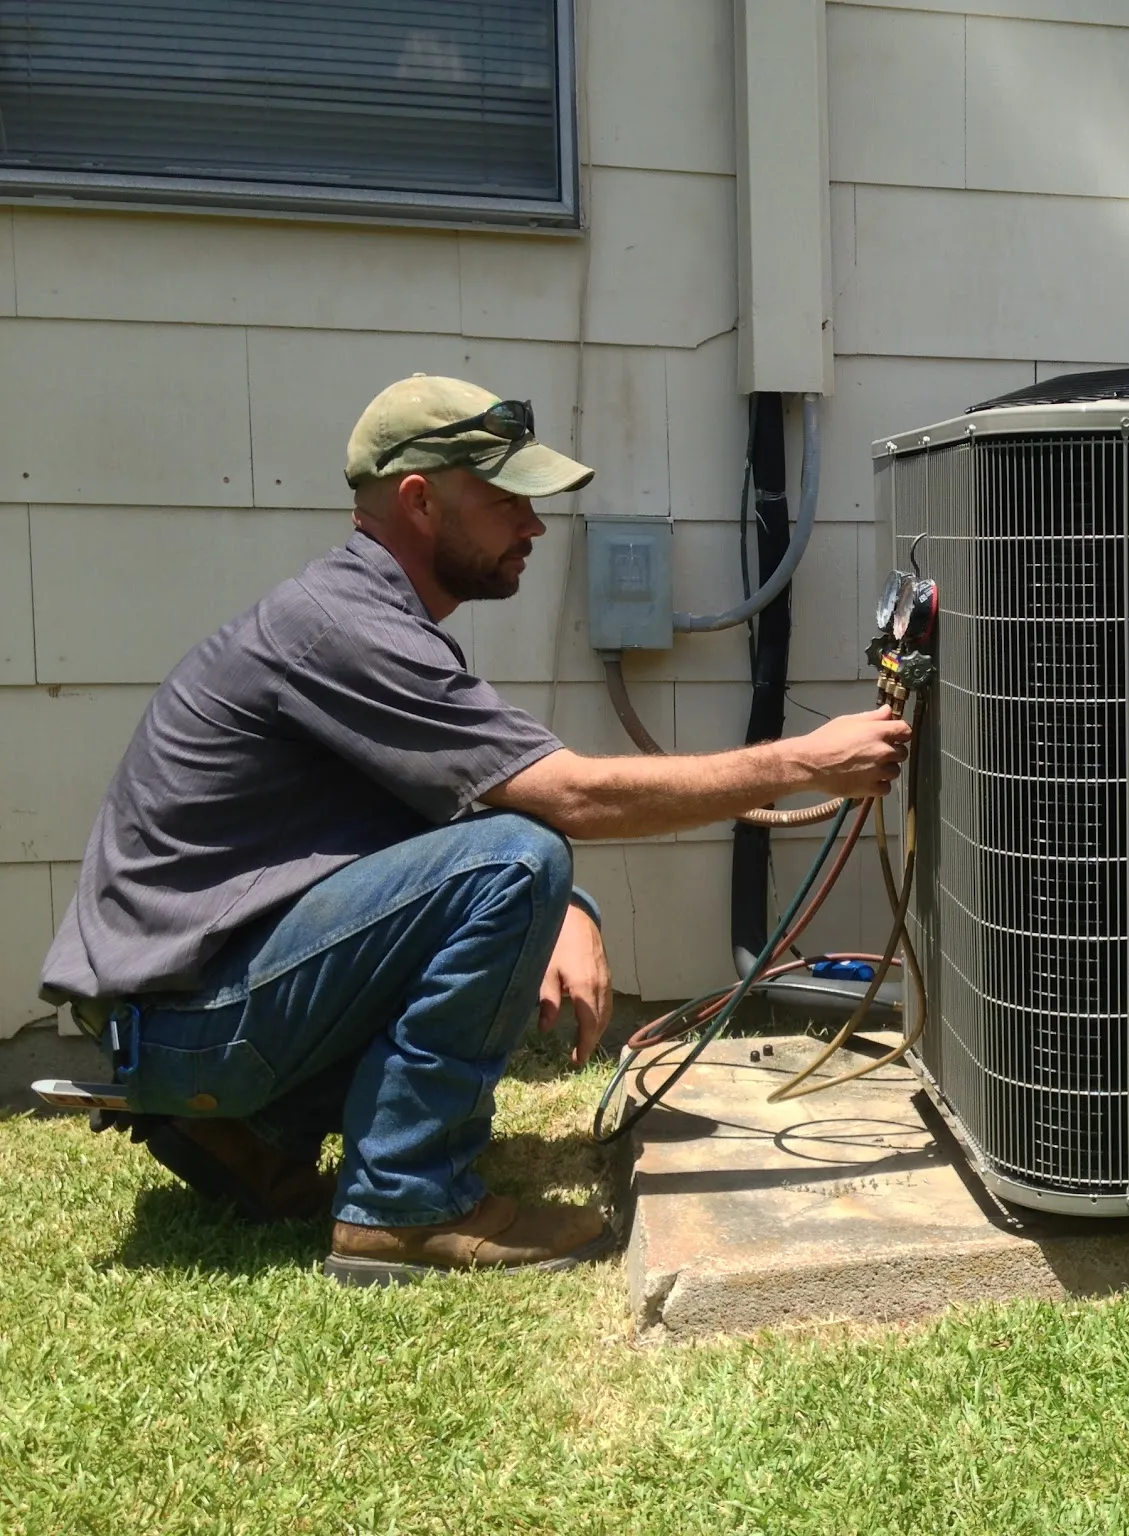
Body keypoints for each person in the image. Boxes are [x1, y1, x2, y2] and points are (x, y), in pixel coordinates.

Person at [38, 375, 909, 1285]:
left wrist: (568, 905)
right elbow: (567, 801)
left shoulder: (357, 615)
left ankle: (247, 1136)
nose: (534, 526)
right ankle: (408, 1205)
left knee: (523, 866)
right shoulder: (344, 631)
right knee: (519, 861)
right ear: (420, 500)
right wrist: (802, 761)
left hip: (176, 1011)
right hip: (186, 1022)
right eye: (507, 501)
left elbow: (424, 832)